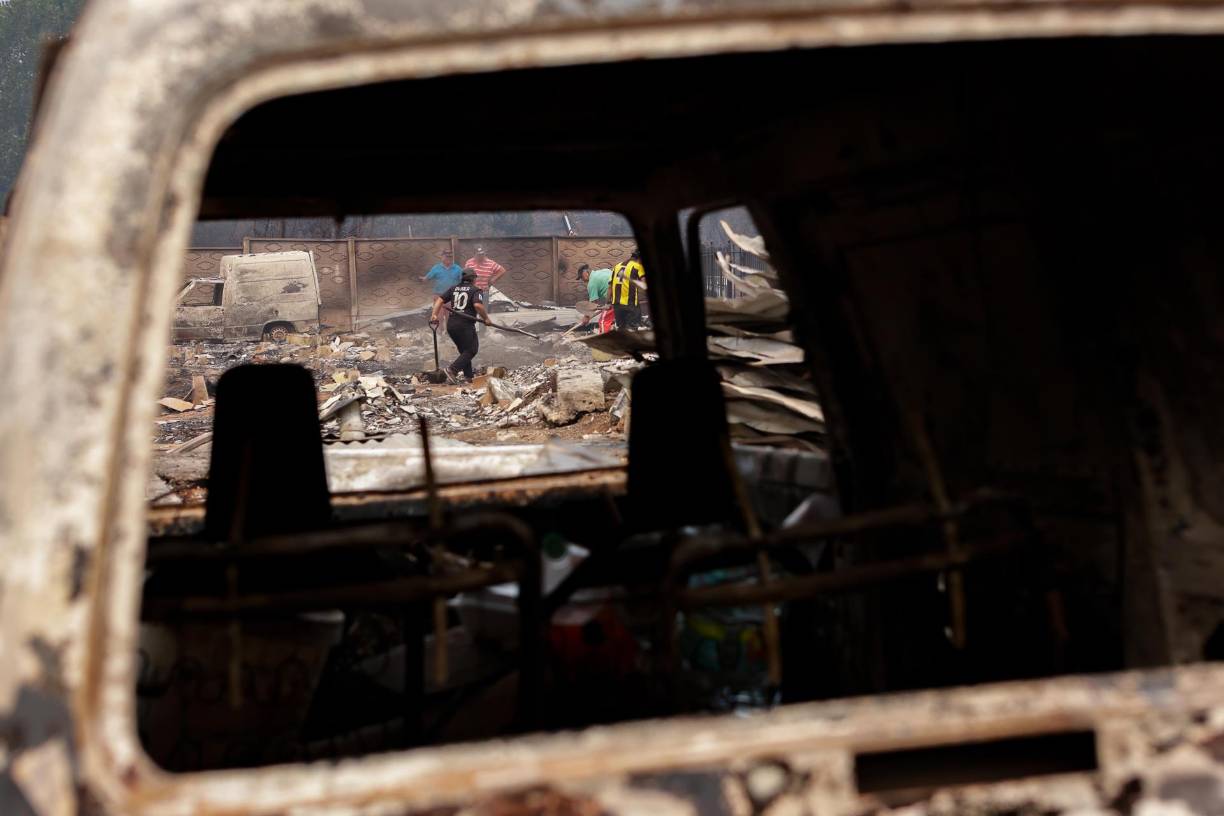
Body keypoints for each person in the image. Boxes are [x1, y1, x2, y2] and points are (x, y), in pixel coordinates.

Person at [429, 269, 490, 382]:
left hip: (452, 325)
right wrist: (486, 318)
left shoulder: (454, 288)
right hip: (465, 324)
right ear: (473, 279)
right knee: (472, 350)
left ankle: (468, 376)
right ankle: (452, 369)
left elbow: (439, 300)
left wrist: (434, 315)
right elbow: (478, 305)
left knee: (465, 351)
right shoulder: (476, 290)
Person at [609, 249, 646, 329]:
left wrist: (608, 302)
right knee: (633, 330)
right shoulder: (638, 267)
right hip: (631, 305)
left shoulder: (617, 266)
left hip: (617, 305)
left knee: (622, 330)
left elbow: (610, 286)